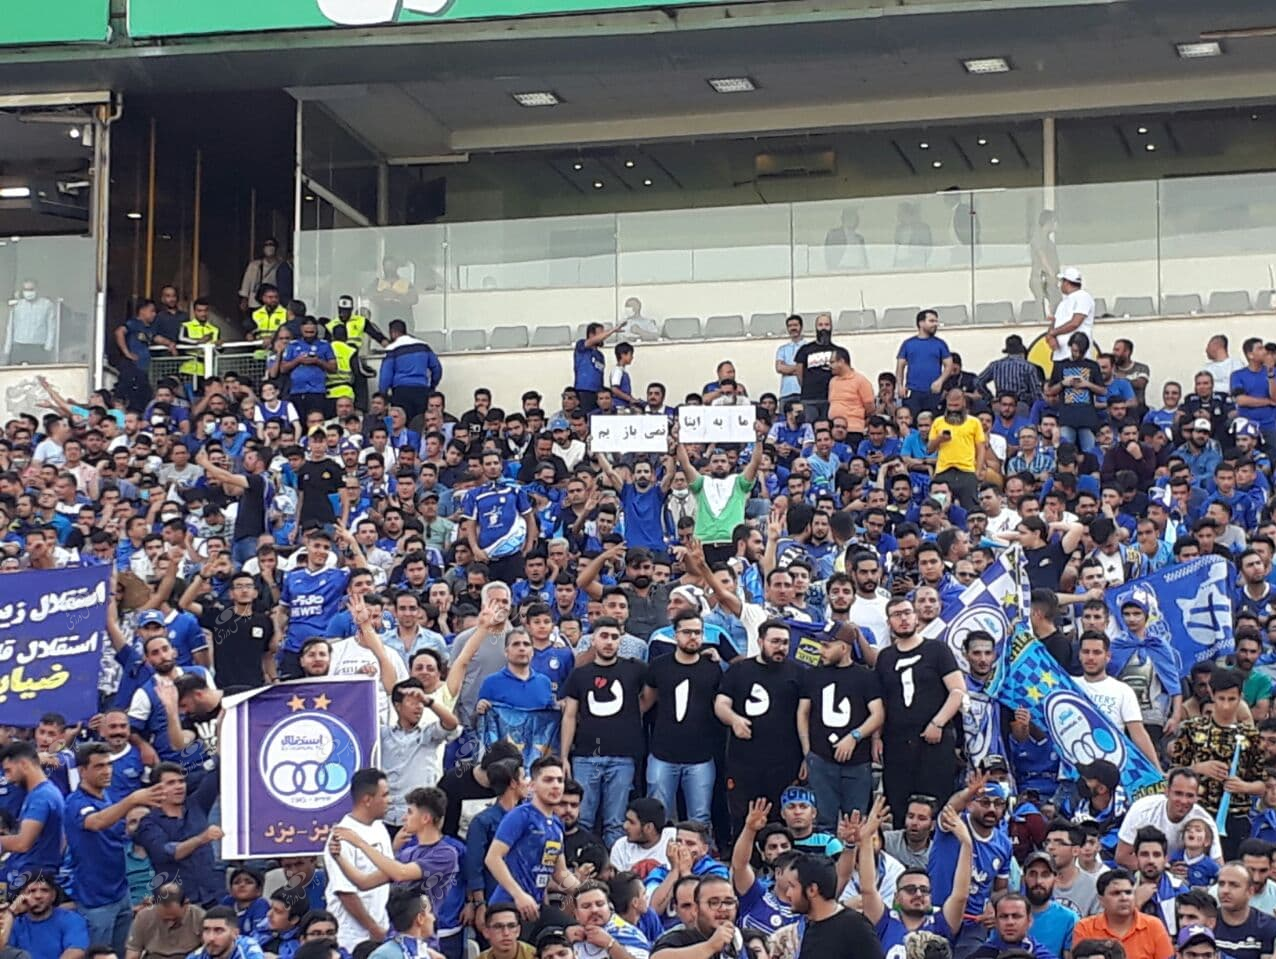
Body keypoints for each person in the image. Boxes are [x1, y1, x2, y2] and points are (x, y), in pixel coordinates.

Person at [874, 596, 965, 827]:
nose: (903, 619)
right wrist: (876, 737)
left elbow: (957, 691)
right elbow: (880, 702)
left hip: (934, 742)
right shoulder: (885, 657)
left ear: (916, 617)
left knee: (936, 806)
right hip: (897, 745)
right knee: (899, 805)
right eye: (896, 615)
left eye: (907, 612)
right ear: (889, 622)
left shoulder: (937, 650)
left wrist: (938, 723)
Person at [65, 743, 164, 953]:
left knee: (123, 953)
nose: (107, 771)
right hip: (95, 900)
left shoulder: (106, 797)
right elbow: (96, 822)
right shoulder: (76, 802)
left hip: (120, 893)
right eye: (99, 766)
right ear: (82, 771)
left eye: (109, 764)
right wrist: (132, 800)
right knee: (99, 955)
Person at [858, 795, 970, 956]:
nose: (918, 894)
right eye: (910, 889)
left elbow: (960, 895)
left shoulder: (940, 922)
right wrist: (867, 837)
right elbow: (868, 888)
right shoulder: (884, 921)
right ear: (896, 897)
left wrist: (967, 844)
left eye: (924, 890)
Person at [796, 622, 883, 825]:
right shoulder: (812, 675)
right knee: (822, 821)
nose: (821, 650)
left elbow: (878, 714)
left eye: (827, 646)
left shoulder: (865, 676)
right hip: (820, 759)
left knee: (855, 822)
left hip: (857, 762)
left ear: (844, 647)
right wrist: (807, 752)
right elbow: (803, 713)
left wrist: (854, 736)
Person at [485, 756, 582, 920]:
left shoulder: (557, 824)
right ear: (533, 785)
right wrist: (519, 895)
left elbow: (560, 872)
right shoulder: (520, 815)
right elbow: (493, 858)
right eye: (548, 780)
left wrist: (587, 892)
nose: (556, 785)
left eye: (560, 780)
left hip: (536, 907)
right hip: (509, 907)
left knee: (571, 933)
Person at [323, 768, 394, 950]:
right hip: (352, 937)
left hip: (381, 930)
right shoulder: (341, 836)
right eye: (385, 795)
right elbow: (345, 892)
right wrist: (373, 928)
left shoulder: (380, 827)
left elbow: (388, 871)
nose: (390, 800)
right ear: (367, 800)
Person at [777, 854, 884, 959]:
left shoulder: (855, 927)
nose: (788, 893)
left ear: (812, 890)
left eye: (792, 886)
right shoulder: (802, 930)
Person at [0, 741, 66, 892]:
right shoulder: (40, 793)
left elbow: (22, 843)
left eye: (9, 771)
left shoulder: (41, 797)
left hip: (31, 881)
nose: (8, 779)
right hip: (30, 875)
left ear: (23, 764)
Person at [1071, 869, 1174, 959]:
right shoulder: (1085, 927)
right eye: (1116, 893)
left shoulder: (1154, 926)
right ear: (1101, 900)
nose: (1124, 898)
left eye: (1128, 892)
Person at [0, 873, 90, 959]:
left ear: (53, 896)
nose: (38, 896)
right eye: (32, 891)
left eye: (44, 890)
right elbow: (1, 949)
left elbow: (76, 952)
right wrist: (11, 912)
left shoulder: (71, 919)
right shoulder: (14, 923)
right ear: (21, 896)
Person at [927, 389, 988, 510]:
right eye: (950, 405)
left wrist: (978, 471)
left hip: (967, 471)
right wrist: (939, 439)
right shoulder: (938, 422)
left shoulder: (974, 422)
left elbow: (981, 449)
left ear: (963, 402)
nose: (953, 409)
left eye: (956, 405)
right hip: (943, 471)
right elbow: (929, 449)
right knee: (937, 508)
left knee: (970, 509)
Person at [379, 320, 443, 423]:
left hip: (401, 392)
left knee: (400, 423)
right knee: (421, 423)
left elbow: (385, 376)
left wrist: (384, 394)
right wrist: (432, 387)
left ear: (393, 333)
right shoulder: (423, 346)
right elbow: (437, 368)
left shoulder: (393, 349)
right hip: (422, 391)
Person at [793, 314, 839, 424]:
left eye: (826, 325)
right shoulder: (805, 350)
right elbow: (799, 373)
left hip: (831, 399)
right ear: (816, 328)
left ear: (831, 327)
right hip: (809, 399)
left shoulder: (838, 351)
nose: (823, 328)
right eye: (820, 325)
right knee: (808, 428)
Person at [1047, 268, 1096, 363]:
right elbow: (1055, 322)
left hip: (1078, 356)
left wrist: (1053, 333)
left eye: (1062, 281)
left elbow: (1075, 323)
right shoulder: (1063, 302)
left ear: (1066, 282)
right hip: (1060, 355)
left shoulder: (1083, 296)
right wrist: (1050, 336)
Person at [5, 278, 58, 364]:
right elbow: (10, 327)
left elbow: (51, 327)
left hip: (38, 346)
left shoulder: (47, 305)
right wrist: (7, 348)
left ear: (37, 289)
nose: (28, 292)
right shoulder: (17, 305)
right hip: (19, 345)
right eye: (26, 289)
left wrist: (49, 346)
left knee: (37, 375)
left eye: (31, 289)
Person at [186, 906, 267, 959]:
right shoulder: (196, 956)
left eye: (219, 931)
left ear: (235, 934)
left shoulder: (248, 951)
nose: (211, 938)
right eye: (206, 930)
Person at [239, 238, 293, 313]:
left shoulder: (281, 266)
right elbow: (246, 283)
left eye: (271, 245)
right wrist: (244, 299)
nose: (269, 247)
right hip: (255, 302)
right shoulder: (255, 265)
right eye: (267, 245)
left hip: (272, 302)